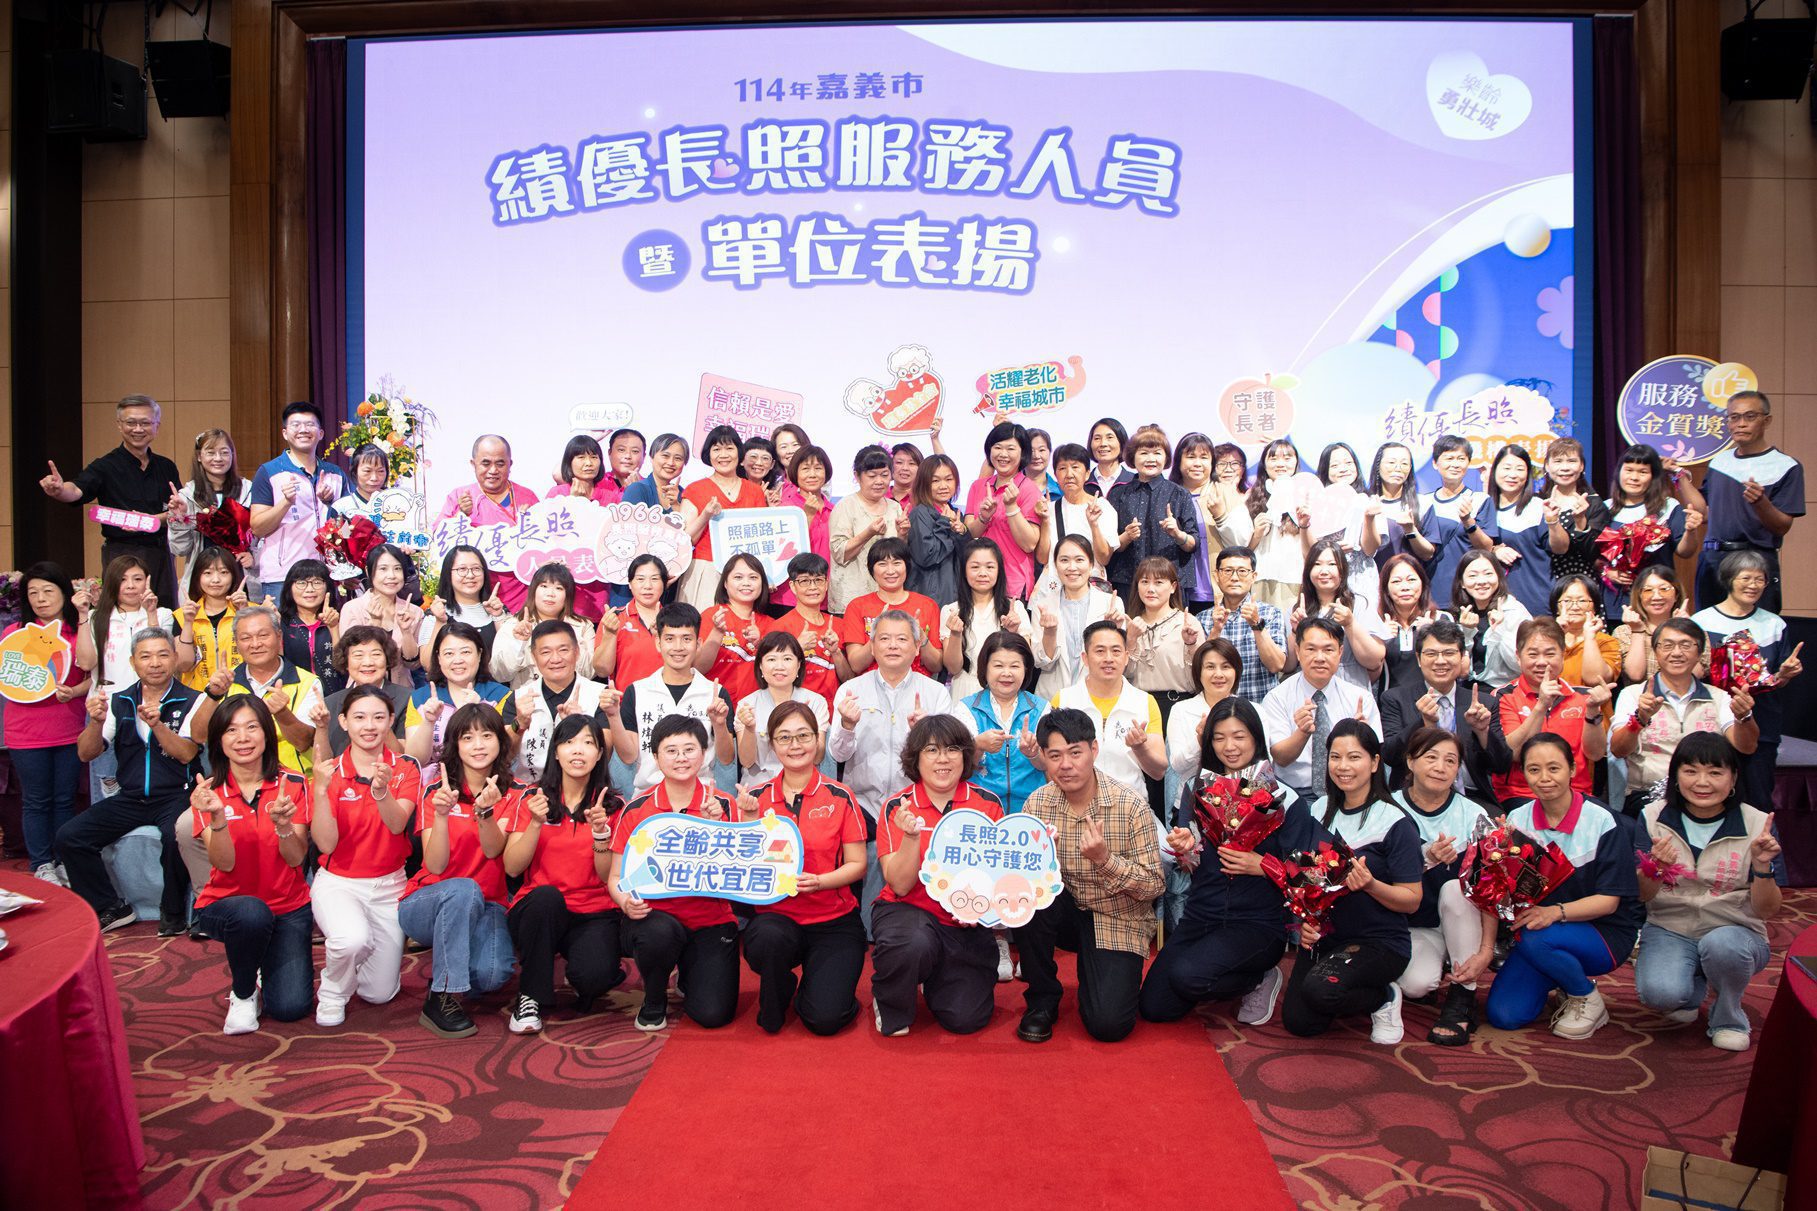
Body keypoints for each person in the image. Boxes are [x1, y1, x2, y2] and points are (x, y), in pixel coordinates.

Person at [1142, 697, 1315, 1027]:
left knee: (1187, 976)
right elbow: (1191, 864)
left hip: (1257, 922)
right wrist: (1185, 850)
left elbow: (1307, 873)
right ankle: (1225, 972)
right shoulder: (1196, 789)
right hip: (1201, 914)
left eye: (1239, 736)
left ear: (1256, 738)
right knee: (1155, 1008)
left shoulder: (1284, 797)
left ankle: (1258, 977)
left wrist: (1262, 865)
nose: (1229, 747)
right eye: (1219, 737)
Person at [1015, 708, 1164, 1043]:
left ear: (1094, 750)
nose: (1065, 765)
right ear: (1044, 758)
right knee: (1027, 900)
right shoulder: (1037, 804)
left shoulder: (1130, 805)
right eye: (1055, 756)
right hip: (1064, 912)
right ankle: (1041, 1000)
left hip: (1117, 916)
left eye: (1075, 753)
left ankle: (1098, 971)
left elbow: (1155, 885)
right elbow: (1021, 878)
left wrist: (1104, 860)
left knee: (1108, 1025)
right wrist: (1041, 863)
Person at [1483, 733, 1641, 1039]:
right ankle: (1563, 977)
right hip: (1541, 930)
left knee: (1536, 938)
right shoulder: (1518, 818)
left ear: (1572, 769)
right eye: (1534, 769)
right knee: (1504, 1015)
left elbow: (1609, 902)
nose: (1544, 778)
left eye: (1554, 768)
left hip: (1603, 931)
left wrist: (1554, 912)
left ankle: (1585, 996)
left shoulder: (1602, 820)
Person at [1636, 732, 1784, 1051]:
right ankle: (1694, 984)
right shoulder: (1653, 817)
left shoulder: (1757, 824)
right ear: (1675, 776)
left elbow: (1767, 910)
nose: (1702, 782)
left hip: (1735, 931)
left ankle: (1729, 1017)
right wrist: (1655, 868)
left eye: (1715, 772)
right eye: (1690, 771)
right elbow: (1642, 896)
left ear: (1733, 779)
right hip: (1671, 927)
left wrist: (1762, 866)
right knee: (1660, 994)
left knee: (1722, 946)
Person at [1280, 720, 1424, 1045]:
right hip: (1327, 938)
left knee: (1321, 991)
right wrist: (1305, 924)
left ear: (1374, 763)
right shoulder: (1318, 810)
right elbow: (1306, 880)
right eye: (1335, 757)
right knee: (1301, 1022)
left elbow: (1412, 899)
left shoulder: (1395, 821)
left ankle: (1384, 997)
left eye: (1354, 757)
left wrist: (1371, 885)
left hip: (1377, 942)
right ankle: (1355, 989)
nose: (1343, 766)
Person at [734, 701, 870, 1034]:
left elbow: (858, 865)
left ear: (817, 740)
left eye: (803, 736)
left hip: (833, 921)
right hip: (777, 919)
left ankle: (818, 984)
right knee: (766, 937)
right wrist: (749, 820)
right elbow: (744, 870)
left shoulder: (841, 796)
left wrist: (822, 881)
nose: (795, 745)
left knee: (825, 1020)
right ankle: (780, 983)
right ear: (772, 744)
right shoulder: (755, 797)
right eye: (784, 737)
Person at [59, 628, 201, 935]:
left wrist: (158, 725)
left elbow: (187, 754)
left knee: (174, 836)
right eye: (145, 656)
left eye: (163, 655)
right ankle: (110, 907)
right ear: (133, 662)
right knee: (70, 836)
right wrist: (95, 723)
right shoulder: (119, 700)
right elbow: (86, 753)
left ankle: (173, 911)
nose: (155, 663)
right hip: (131, 797)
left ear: (175, 658)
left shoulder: (193, 699)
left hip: (177, 795)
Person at [871, 715, 1005, 1036]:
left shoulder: (987, 805)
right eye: (931, 750)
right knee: (913, 943)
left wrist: (980, 910)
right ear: (916, 759)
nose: (943, 759)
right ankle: (890, 999)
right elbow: (900, 885)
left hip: (965, 922)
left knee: (967, 1020)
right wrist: (911, 837)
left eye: (952, 749)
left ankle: (935, 978)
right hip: (908, 911)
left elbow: (997, 878)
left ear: (965, 756)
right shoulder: (898, 807)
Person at [188, 697, 314, 1033]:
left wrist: (284, 827)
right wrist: (217, 818)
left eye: (251, 727)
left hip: (287, 906)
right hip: (228, 905)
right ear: (219, 740)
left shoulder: (293, 784)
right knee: (251, 914)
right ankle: (243, 992)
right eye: (231, 730)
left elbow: (296, 859)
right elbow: (223, 863)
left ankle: (259, 956)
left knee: (290, 1008)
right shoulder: (208, 792)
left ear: (267, 734)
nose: (242, 738)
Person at [608, 716, 741, 1031]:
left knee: (713, 1015)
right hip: (655, 918)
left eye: (689, 749)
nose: (681, 758)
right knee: (658, 933)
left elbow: (738, 874)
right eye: (671, 750)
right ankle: (654, 997)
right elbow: (615, 878)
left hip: (710, 919)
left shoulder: (723, 805)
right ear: (656, 757)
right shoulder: (637, 809)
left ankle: (689, 972)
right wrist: (625, 903)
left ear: (704, 753)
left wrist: (718, 829)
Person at [501, 715, 624, 1033]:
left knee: (594, 978)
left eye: (588, 743)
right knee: (546, 898)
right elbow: (512, 867)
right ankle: (530, 995)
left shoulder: (614, 806)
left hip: (593, 911)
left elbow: (607, 876)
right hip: (539, 909)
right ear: (555, 751)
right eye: (569, 742)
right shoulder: (534, 799)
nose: (578, 750)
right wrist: (535, 824)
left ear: (600, 753)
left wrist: (601, 834)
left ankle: (591, 969)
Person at [402, 705, 519, 1038]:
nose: (478, 745)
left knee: (492, 975)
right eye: (467, 737)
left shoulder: (517, 794)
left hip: (489, 903)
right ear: (455, 744)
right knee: (463, 889)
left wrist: (485, 812)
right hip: (427, 902)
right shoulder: (436, 792)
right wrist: (441, 815)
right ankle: (441, 995)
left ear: (501, 742)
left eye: (487, 735)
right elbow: (436, 866)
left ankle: (453, 959)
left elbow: (494, 852)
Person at [828, 609, 952, 918]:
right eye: (884, 638)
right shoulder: (851, 691)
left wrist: (925, 735)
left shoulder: (936, 693)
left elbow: (946, 762)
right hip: (864, 805)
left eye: (902, 639)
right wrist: (847, 725)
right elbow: (838, 756)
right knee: (868, 868)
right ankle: (868, 932)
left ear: (917, 646)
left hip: (915, 804)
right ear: (872, 646)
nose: (893, 645)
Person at [308, 686, 420, 1027]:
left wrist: (381, 791)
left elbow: (397, 824)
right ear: (343, 722)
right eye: (359, 717)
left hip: (390, 885)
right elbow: (325, 845)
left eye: (378, 717)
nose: (369, 726)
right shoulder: (328, 772)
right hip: (339, 882)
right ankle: (332, 990)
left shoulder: (406, 767)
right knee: (350, 940)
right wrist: (321, 791)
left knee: (379, 993)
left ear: (390, 721)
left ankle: (355, 955)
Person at [1390, 727, 1496, 1044]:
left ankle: (1463, 997)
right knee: (1417, 985)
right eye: (1431, 757)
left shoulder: (1474, 815)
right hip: (1414, 925)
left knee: (1455, 888)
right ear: (1410, 762)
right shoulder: (1387, 809)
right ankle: (1436, 967)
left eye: (1450, 761)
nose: (1440, 767)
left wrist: (1486, 951)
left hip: (1463, 919)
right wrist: (1425, 859)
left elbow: (1493, 888)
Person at [38, 394, 185, 603]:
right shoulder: (105, 466)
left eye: (145, 423)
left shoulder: (166, 466)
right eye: (131, 422)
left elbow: (178, 512)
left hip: (162, 553)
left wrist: (151, 521)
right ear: (119, 425)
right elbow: (77, 490)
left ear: (156, 426)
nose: (138, 429)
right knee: (122, 611)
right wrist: (60, 490)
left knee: (165, 611)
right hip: (121, 554)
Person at [1692, 550, 1806, 812]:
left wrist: (1784, 675)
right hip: (1712, 723)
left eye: (1760, 579)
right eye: (1746, 578)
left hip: (1761, 724)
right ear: (1729, 579)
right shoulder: (1701, 622)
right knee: (1709, 799)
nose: (1753, 585)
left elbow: (1775, 681)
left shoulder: (1774, 624)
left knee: (1757, 801)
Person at [1611, 619, 1759, 816]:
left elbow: (1747, 747)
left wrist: (1744, 717)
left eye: (1686, 645)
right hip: (1648, 796)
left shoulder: (1719, 697)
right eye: (1667, 645)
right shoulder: (1633, 695)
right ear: (1655, 651)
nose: (1677, 653)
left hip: (1706, 794)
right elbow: (1618, 750)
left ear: (1700, 653)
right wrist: (1639, 719)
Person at [5, 563, 91, 884]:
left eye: (48, 591)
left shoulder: (77, 630)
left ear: (64, 593)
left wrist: (75, 692)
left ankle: (62, 860)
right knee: (36, 800)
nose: (41, 599)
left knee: (64, 799)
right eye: (33, 593)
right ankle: (41, 864)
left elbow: (93, 673)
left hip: (69, 727)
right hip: (25, 732)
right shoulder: (14, 635)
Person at [1694, 390, 1803, 613]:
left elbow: (1782, 526)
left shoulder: (1786, 466)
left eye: (1750, 416)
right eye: (1734, 417)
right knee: (1707, 625)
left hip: (1755, 559)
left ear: (1767, 420)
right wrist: (1679, 479)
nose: (1741, 424)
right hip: (1712, 558)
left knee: (1755, 628)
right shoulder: (1719, 462)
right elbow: (1705, 513)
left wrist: (1760, 502)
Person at [185, 605, 325, 778]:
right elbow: (199, 736)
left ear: (279, 636)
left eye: (263, 635)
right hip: (236, 782)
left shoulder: (307, 682)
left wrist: (282, 713)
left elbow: (303, 743)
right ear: (236, 643)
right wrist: (213, 696)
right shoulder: (223, 681)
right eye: (246, 638)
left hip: (292, 782)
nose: (255, 644)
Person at [1486, 619, 1611, 809]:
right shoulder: (1503, 696)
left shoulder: (1583, 697)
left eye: (1550, 654)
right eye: (1533, 654)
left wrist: (1593, 711)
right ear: (1518, 657)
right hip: (1521, 795)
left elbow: (1595, 753)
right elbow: (1512, 754)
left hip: (1576, 794)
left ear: (1563, 655)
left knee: (1620, 824)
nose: (1542, 662)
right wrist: (1542, 705)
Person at [614, 603, 735, 793]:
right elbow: (628, 757)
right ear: (658, 643)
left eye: (686, 639)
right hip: (648, 794)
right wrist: (612, 716)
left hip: (700, 796)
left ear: (698, 644)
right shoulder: (637, 691)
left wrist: (719, 724)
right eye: (670, 639)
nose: (678, 647)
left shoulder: (715, 693)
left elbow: (726, 759)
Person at [1260, 617, 1382, 796]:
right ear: (1298, 651)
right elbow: (1280, 758)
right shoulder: (1277, 698)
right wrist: (1302, 732)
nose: (1319, 658)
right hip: (1295, 793)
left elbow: (1375, 757)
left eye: (1328, 650)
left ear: (1340, 652)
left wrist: (1363, 738)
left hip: (1347, 792)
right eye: (1311, 649)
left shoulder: (1360, 698)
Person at [1048, 621, 1168, 801]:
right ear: (1085, 658)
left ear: (1126, 657)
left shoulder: (1144, 701)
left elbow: (1158, 772)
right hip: (1075, 804)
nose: (1109, 658)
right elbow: (1050, 763)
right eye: (1100, 651)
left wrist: (1140, 748)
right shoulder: (1064, 700)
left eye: (1116, 651)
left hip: (1130, 805)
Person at [1379, 619, 1496, 796]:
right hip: (1414, 795)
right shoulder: (1395, 698)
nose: (1440, 661)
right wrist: (1423, 722)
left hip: (1472, 796)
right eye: (1431, 654)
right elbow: (1390, 756)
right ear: (1418, 658)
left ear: (1462, 656)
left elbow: (1500, 765)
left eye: (1449, 653)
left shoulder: (1483, 703)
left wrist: (1482, 732)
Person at [247, 401, 345, 603]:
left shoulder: (335, 474)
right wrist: (285, 503)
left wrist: (330, 504)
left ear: (321, 433)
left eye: (310, 424)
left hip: (326, 574)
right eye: (296, 425)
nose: (303, 430)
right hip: (282, 575)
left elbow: (348, 530)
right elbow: (257, 528)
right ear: (285, 433)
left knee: (325, 624)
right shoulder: (269, 472)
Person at [435, 434, 540, 612]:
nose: (493, 470)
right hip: (472, 594)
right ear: (473, 464)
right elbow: (439, 537)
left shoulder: (527, 497)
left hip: (520, 593)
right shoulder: (460, 496)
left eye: (500, 463)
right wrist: (461, 515)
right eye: (485, 463)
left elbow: (543, 542)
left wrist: (530, 522)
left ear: (510, 464)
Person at [1600, 443, 1705, 616]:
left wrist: (1691, 531)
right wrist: (1606, 571)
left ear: (1653, 477)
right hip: (1615, 604)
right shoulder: (1604, 508)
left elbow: (1685, 552)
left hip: (1658, 602)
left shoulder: (1668, 507)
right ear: (1619, 473)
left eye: (1643, 472)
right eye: (1629, 470)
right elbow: (1594, 556)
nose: (1634, 477)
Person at [507, 621, 616, 784]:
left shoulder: (600, 695)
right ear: (534, 656)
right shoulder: (518, 698)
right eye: (546, 652)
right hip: (529, 790)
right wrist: (519, 724)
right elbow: (504, 756)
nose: (556, 659)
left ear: (577, 652)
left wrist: (581, 725)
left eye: (563, 650)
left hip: (583, 789)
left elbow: (606, 753)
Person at [953, 632, 1048, 815]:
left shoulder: (1042, 709)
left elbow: (1050, 766)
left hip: (1032, 809)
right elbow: (957, 768)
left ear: (1026, 669)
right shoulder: (966, 709)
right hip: (980, 810)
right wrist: (977, 746)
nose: (1007, 673)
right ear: (985, 668)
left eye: (1014, 666)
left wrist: (1033, 754)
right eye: (998, 665)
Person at [677, 425, 768, 610]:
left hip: (744, 574)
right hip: (705, 568)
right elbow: (684, 540)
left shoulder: (755, 491)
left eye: (729, 448)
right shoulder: (695, 489)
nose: (723, 455)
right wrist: (705, 515)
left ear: (739, 453)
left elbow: (762, 539)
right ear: (708, 455)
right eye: (717, 449)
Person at [1106, 424, 1200, 598]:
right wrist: (1126, 537)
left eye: (1157, 453)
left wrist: (1178, 534)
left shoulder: (1180, 494)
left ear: (1166, 458)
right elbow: (1107, 547)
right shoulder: (1118, 494)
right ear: (1132, 457)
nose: (1151, 459)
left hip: (1170, 584)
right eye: (1143, 453)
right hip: (1128, 583)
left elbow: (1193, 543)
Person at [404, 621, 511, 765]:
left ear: (479, 654)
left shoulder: (501, 696)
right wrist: (428, 722)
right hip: (436, 778)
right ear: (439, 658)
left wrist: (478, 711)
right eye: (449, 653)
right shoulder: (421, 698)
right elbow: (415, 760)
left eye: (466, 652)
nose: (458, 660)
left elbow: (506, 754)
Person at [941, 538, 1034, 701]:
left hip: (1004, 689)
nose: (982, 573)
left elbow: (1025, 664)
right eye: (975, 567)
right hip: (965, 690)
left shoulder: (1015, 608)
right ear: (964, 570)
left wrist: (1012, 633)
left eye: (990, 567)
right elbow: (953, 668)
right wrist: (955, 634)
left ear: (999, 570)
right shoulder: (951, 610)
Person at [1028, 534, 1121, 696]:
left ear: (1091, 564)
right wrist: (1049, 633)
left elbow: (1118, 660)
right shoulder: (1043, 605)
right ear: (1055, 565)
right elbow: (1040, 662)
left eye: (1079, 560)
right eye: (1064, 560)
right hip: (1053, 696)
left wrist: (1113, 631)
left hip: (1098, 696)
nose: (1072, 567)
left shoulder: (1111, 604)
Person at [964, 420, 1047, 600]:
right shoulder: (978, 486)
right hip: (979, 583)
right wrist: (983, 518)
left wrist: (1011, 507)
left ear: (1023, 453)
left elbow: (1029, 544)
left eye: (1010, 449)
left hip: (1013, 584)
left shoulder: (1029, 490)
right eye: (997, 447)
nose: (1003, 454)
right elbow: (968, 535)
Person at [1290, 537, 1385, 692]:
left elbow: (1374, 660)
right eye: (1317, 564)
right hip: (1308, 688)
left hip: (1350, 686)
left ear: (1343, 570)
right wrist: (1295, 631)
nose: (1324, 571)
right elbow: (1288, 665)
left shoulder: (1359, 604)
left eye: (1332, 564)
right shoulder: (1298, 608)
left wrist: (1350, 624)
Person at [1195, 546, 1288, 703]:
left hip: (1261, 706)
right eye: (1228, 571)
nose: (1234, 578)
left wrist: (1257, 625)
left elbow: (1277, 665)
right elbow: (1199, 670)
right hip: (1218, 708)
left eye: (1242, 571)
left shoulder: (1271, 613)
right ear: (1216, 576)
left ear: (1253, 576)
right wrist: (1216, 630)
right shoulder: (1202, 618)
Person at [733, 632, 830, 782]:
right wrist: (750, 729)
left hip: (803, 784)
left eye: (787, 659)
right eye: (771, 659)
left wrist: (805, 728)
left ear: (799, 665)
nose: (779, 666)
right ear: (760, 665)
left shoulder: (816, 702)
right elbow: (747, 761)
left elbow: (817, 757)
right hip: (759, 786)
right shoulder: (747, 705)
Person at [168, 427, 255, 594]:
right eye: (210, 452)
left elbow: (261, 535)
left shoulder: (249, 491)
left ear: (232, 455)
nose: (218, 458)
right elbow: (180, 549)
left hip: (240, 576)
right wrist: (180, 519)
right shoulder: (187, 496)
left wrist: (253, 557)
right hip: (202, 579)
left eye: (224, 452)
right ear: (199, 456)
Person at [1468, 443, 1552, 615]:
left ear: (1528, 474)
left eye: (1519, 469)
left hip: (1535, 599)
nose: (1512, 475)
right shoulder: (1479, 507)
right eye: (1506, 468)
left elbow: (1557, 549)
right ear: (1494, 471)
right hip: (1490, 603)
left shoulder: (1538, 507)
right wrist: (1494, 550)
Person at [1172, 432, 1254, 607]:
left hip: (1220, 592)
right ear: (1179, 461)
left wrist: (1221, 516)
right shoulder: (1169, 495)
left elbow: (1242, 542)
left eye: (1204, 457)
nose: (1197, 463)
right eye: (1191, 457)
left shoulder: (1225, 492)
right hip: (1176, 592)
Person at [841, 538, 942, 677]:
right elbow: (856, 665)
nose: (890, 571)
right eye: (882, 564)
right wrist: (878, 634)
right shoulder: (857, 606)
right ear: (871, 569)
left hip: (916, 685)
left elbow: (936, 665)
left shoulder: (927, 605)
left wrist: (921, 637)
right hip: (872, 685)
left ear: (907, 566)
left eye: (897, 563)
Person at [488, 563, 596, 689]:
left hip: (573, 696)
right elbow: (499, 674)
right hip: (529, 697)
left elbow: (590, 673)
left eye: (559, 588)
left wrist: (571, 638)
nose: (550, 593)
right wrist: (518, 643)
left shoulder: (582, 626)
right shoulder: (514, 625)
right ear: (533, 590)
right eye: (544, 586)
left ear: (568, 595)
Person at [827, 445, 908, 613]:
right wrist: (868, 533)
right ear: (857, 476)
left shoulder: (894, 507)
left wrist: (902, 535)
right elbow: (839, 553)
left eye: (884, 475)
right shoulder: (845, 506)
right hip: (851, 599)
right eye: (872, 476)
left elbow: (899, 555)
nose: (879, 481)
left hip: (886, 599)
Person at [1301, 441, 1377, 613]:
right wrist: (1330, 549)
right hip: (1326, 579)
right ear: (1325, 470)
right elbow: (1310, 552)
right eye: (1335, 465)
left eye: (1348, 463)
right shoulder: (1315, 503)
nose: (1343, 469)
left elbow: (1371, 549)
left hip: (1360, 577)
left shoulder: (1369, 500)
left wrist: (1369, 518)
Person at [336, 544, 426, 687]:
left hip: (402, 692)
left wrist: (406, 632)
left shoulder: (414, 611)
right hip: (362, 691)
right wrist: (374, 625)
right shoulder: (352, 609)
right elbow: (350, 659)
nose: (391, 576)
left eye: (397, 569)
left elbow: (413, 664)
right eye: (383, 569)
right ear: (368, 571)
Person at [696, 553, 776, 703]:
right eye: (738, 577)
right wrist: (717, 632)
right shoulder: (712, 615)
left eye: (753, 577)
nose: (746, 583)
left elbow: (778, 674)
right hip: (714, 705)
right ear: (725, 583)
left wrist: (760, 644)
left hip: (755, 708)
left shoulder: (772, 625)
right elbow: (698, 668)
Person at [772, 552, 850, 706]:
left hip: (833, 711)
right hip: (795, 710)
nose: (813, 587)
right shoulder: (779, 627)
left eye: (818, 580)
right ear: (793, 586)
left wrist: (836, 652)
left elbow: (848, 679)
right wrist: (797, 648)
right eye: (805, 581)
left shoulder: (839, 625)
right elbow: (772, 677)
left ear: (826, 584)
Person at [1534, 437, 1612, 583]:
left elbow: (1595, 553)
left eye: (1571, 461)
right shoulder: (1536, 502)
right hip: (1540, 583)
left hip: (1581, 584)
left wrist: (1580, 521)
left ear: (1581, 466)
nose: (1565, 467)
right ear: (1547, 466)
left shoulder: (1593, 504)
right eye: (1558, 461)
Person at [421, 545, 505, 678]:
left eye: (476, 569)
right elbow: (428, 664)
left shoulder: (499, 610)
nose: (470, 575)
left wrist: (498, 617)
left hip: (494, 689)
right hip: (450, 689)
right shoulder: (435, 613)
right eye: (462, 569)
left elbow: (509, 661)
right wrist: (440, 622)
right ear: (448, 574)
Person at [322, 627, 411, 752]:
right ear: (346, 661)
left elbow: (404, 755)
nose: (368, 662)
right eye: (358, 655)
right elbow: (322, 759)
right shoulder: (330, 704)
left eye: (376, 654)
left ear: (387, 658)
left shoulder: (408, 699)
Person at [1451, 550, 1530, 690]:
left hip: (1507, 690)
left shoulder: (1513, 610)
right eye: (1473, 575)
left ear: (1498, 577)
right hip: (1468, 689)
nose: (1481, 581)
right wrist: (1466, 632)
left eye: (1488, 574)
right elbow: (1461, 671)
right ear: (1462, 582)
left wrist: (1499, 630)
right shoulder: (1460, 613)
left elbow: (1520, 664)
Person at [1164, 638, 1241, 782]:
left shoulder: (1254, 711)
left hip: (1243, 793)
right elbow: (1177, 766)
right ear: (1198, 672)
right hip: (1193, 793)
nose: (1218, 674)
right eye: (1210, 667)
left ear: (1236, 671)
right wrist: (1199, 741)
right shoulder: (1181, 710)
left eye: (1226, 667)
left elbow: (1263, 760)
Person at [1041, 443, 1117, 582]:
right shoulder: (1049, 509)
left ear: (1087, 474)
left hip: (1091, 587)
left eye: (1075, 467)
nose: (1069, 474)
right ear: (1056, 475)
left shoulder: (1103, 507)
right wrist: (1045, 521)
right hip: (1056, 586)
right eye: (1062, 468)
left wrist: (1094, 524)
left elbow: (1104, 558)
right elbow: (1042, 558)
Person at [1246, 438, 1306, 612]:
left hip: (1295, 576)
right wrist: (1256, 534)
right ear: (1264, 464)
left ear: (1296, 462)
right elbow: (1244, 549)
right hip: (1262, 575)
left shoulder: (1306, 495)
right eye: (1273, 458)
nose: (1281, 464)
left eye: (1287, 458)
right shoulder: (1251, 497)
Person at [176, 548, 246, 693]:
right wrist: (188, 622)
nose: (216, 580)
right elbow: (183, 665)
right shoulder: (182, 616)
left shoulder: (252, 610)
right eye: (208, 573)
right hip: (198, 696)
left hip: (241, 695)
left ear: (233, 576)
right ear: (197, 577)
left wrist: (244, 613)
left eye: (223, 572)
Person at [1374, 554, 1449, 691]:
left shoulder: (1442, 618)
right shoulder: (1376, 622)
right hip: (1390, 700)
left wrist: (1433, 633)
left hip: (1434, 697)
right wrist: (1379, 638)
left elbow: (1459, 667)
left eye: (1411, 580)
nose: (1405, 587)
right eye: (1396, 581)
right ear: (1386, 588)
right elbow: (1370, 672)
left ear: (1423, 583)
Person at [773, 445, 835, 610]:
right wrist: (807, 516)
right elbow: (782, 551)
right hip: (788, 598)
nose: (812, 474)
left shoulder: (834, 511)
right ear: (795, 472)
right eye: (805, 469)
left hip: (824, 596)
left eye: (818, 468)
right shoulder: (785, 509)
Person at [594, 554, 669, 689]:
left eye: (654, 579)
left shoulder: (674, 619)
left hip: (666, 699)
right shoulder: (614, 618)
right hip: (626, 700)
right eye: (640, 579)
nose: (647, 586)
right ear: (629, 584)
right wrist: (610, 634)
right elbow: (602, 671)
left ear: (664, 583)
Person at [1424, 434, 1480, 610]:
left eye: (1461, 459)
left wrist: (1468, 521)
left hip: (1465, 592)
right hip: (1427, 592)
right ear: (1435, 463)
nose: (1455, 464)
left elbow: (1486, 548)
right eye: (1449, 458)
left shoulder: (1479, 500)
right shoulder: (1423, 502)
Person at [1616, 565, 1694, 684]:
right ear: (1639, 596)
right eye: (1648, 590)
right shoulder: (1624, 631)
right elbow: (1635, 675)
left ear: (1676, 595)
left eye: (1664, 589)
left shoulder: (1693, 630)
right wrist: (1637, 631)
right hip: (1640, 695)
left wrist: (1684, 631)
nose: (1656, 597)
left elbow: (1697, 674)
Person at [276, 559, 343, 696]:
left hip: (334, 697)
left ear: (328, 587)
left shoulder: (339, 619)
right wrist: (272, 626)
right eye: (301, 583)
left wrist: (334, 628)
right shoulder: (282, 622)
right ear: (289, 587)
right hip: (294, 697)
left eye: (317, 582)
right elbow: (277, 665)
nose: (310, 589)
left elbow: (342, 666)